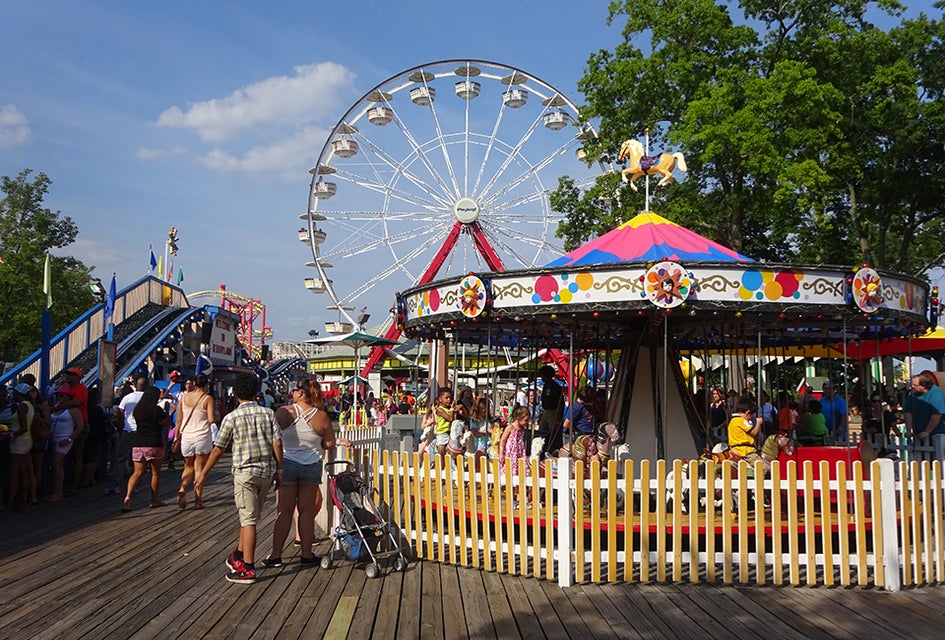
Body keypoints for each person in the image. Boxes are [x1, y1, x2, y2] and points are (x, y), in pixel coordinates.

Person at [195, 373, 283, 585]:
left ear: (235, 394)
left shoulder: (231, 418)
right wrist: (279, 470)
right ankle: (238, 554)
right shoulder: (268, 413)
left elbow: (218, 449)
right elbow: (278, 444)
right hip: (266, 472)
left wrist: (203, 473)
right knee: (251, 517)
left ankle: (248, 568)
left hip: (245, 473)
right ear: (256, 392)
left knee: (248, 519)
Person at [264, 377, 336, 568]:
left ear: (301, 393)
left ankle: (275, 555)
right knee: (306, 511)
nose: (292, 393)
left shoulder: (284, 412)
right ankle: (306, 553)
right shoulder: (321, 416)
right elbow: (329, 444)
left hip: (287, 463)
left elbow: (273, 438)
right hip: (311, 465)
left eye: (294, 390)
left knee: (284, 511)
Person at [121, 387, 170, 512]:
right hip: (154, 443)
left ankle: (127, 497)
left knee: (136, 473)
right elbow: (166, 423)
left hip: (138, 443)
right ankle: (154, 500)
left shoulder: (138, 410)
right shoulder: (157, 410)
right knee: (155, 474)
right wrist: (167, 411)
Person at [174, 373, 217, 510]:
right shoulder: (207, 398)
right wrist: (217, 416)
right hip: (202, 436)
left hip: (186, 437)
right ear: (206, 385)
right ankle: (198, 501)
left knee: (188, 467)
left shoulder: (184, 397)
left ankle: (183, 487)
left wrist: (176, 437)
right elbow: (210, 420)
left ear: (194, 383)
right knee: (199, 469)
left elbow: (179, 420)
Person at [47, 386, 83, 502]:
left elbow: (80, 426)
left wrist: (70, 439)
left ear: (68, 397)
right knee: (58, 465)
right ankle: (58, 491)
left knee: (56, 464)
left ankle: (57, 492)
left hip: (65, 439)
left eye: (62, 395)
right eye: (57, 395)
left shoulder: (73, 410)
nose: (59, 397)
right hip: (54, 438)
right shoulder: (56, 408)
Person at [58, 367, 89, 495]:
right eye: (68, 374)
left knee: (77, 454)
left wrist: (58, 407)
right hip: (67, 424)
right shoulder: (67, 388)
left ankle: (75, 484)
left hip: (79, 423)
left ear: (77, 377)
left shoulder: (80, 389)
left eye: (71, 375)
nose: (68, 377)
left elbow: (76, 402)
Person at [6, 383, 35, 511]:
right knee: (24, 473)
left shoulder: (22, 407)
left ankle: (10, 505)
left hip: (19, 442)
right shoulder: (30, 405)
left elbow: (22, 428)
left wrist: (11, 435)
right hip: (27, 440)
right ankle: (23, 502)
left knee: (14, 475)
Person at [115, 377, 148, 482]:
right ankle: (136, 484)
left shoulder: (127, 397)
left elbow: (120, 412)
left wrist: (121, 425)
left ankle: (116, 483)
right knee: (139, 459)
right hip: (142, 432)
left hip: (128, 430)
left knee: (121, 457)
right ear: (146, 386)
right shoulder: (148, 398)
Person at [904, 374, 945, 443]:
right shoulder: (912, 394)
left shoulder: (936, 393)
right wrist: (908, 430)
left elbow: (937, 414)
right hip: (918, 434)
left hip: (936, 434)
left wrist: (927, 431)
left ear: (924, 386)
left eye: (915, 385)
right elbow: (908, 412)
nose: (912, 387)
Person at [80, 387, 108, 488]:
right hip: (97, 434)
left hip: (87, 433)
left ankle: (86, 479)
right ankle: (91, 478)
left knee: (87, 458)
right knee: (93, 457)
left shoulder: (86, 408)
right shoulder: (98, 409)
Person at [727, 395, 763, 464]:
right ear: (747, 413)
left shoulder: (732, 421)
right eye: (751, 415)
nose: (751, 417)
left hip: (735, 449)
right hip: (745, 451)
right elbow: (753, 433)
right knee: (763, 468)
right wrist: (758, 423)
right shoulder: (741, 421)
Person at [537, 365, 564, 455]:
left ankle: (554, 450)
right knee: (542, 431)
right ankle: (542, 448)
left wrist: (559, 416)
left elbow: (561, 402)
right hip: (546, 411)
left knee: (553, 432)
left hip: (554, 411)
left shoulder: (555, 386)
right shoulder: (545, 386)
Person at [499, 405, 529, 475]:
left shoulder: (521, 429)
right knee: (508, 473)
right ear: (518, 418)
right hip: (510, 455)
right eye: (526, 420)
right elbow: (502, 440)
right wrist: (501, 454)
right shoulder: (510, 427)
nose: (527, 422)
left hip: (519, 454)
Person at [468, 396, 491, 465]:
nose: (485, 414)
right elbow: (475, 433)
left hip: (490, 443)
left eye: (486, 412)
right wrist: (486, 432)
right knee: (480, 454)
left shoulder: (488, 419)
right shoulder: (474, 421)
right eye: (483, 412)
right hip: (481, 444)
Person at [434, 387, 454, 462]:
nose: (449, 400)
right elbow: (450, 418)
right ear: (440, 399)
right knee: (441, 448)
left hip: (451, 433)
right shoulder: (440, 410)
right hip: (442, 433)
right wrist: (452, 409)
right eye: (446, 398)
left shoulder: (450, 409)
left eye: (450, 398)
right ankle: (440, 462)